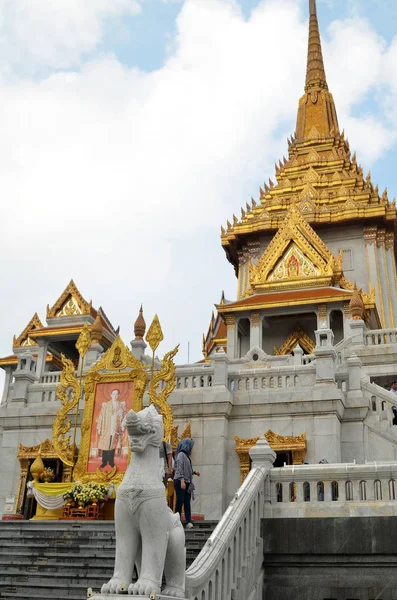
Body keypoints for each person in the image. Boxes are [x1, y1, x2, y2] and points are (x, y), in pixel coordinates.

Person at [96, 389, 126, 468]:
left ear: (118, 395)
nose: (115, 396)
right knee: (106, 444)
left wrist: (122, 426)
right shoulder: (106, 405)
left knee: (113, 444)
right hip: (106, 426)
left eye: (117, 394)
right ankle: (104, 461)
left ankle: (111, 461)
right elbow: (101, 416)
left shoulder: (121, 405)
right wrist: (99, 428)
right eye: (113, 394)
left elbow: (124, 417)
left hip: (115, 427)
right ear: (111, 395)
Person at [174, 438, 199, 529]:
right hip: (181, 481)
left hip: (187, 481)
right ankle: (177, 521)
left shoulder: (186, 456)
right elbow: (180, 468)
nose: (192, 449)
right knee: (180, 501)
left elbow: (187, 469)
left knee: (187, 502)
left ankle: (188, 521)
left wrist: (194, 472)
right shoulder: (181, 455)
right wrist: (181, 480)